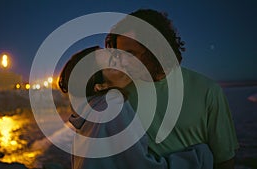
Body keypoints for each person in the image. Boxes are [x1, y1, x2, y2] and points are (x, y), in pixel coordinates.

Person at [105, 9, 239, 169]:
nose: (124, 62)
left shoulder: (208, 90)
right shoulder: (123, 94)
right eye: (120, 54)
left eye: (131, 53)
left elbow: (224, 160)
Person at [58, 46, 213, 169]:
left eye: (116, 55)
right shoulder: (112, 105)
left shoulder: (88, 116)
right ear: (101, 86)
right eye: (114, 64)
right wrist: (200, 156)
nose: (123, 63)